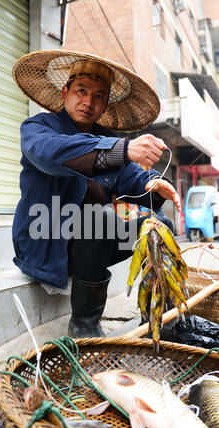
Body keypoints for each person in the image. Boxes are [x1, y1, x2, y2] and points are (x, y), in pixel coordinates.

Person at [12, 50, 181, 338]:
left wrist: (154, 184)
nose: (88, 102)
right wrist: (125, 149)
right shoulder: (37, 128)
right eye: (81, 91)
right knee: (100, 218)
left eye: (99, 96)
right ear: (65, 92)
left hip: (91, 245)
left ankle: (159, 319)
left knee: (158, 226)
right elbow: (52, 153)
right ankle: (84, 325)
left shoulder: (110, 139)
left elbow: (134, 179)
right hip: (47, 241)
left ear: (105, 105)